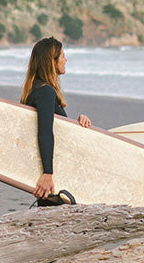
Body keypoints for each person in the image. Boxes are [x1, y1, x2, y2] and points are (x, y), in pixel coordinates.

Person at [21, 36, 92, 205]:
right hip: (52, 181)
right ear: (51, 62)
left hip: (51, 176)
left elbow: (54, 129)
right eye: (62, 56)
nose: (65, 60)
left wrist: (77, 124)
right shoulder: (45, 91)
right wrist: (47, 174)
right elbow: (44, 131)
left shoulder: (36, 89)